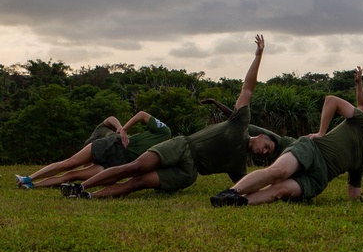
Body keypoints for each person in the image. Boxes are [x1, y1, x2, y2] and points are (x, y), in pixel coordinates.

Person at [61, 35, 277, 199]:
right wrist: (258, 56)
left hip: (188, 172)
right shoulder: (240, 124)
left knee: (138, 182)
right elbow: (248, 88)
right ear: (260, 136)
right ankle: (81, 186)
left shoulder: (240, 165)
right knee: (134, 167)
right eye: (267, 147)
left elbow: (249, 184)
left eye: (267, 154)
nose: (264, 152)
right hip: (182, 147)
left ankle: (87, 196)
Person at [209, 89, 363, 206]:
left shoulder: (360, 164)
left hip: (318, 179)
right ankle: (232, 192)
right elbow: (331, 100)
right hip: (312, 149)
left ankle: (237, 202)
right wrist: (321, 132)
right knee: (279, 172)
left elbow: (355, 197)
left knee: (281, 190)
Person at [16, 112, 171, 189]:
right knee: (69, 164)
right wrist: (123, 129)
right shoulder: (165, 133)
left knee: (72, 176)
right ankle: (28, 178)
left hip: (117, 163)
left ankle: (32, 185)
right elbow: (142, 115)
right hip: (113, 145)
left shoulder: (166, 158)